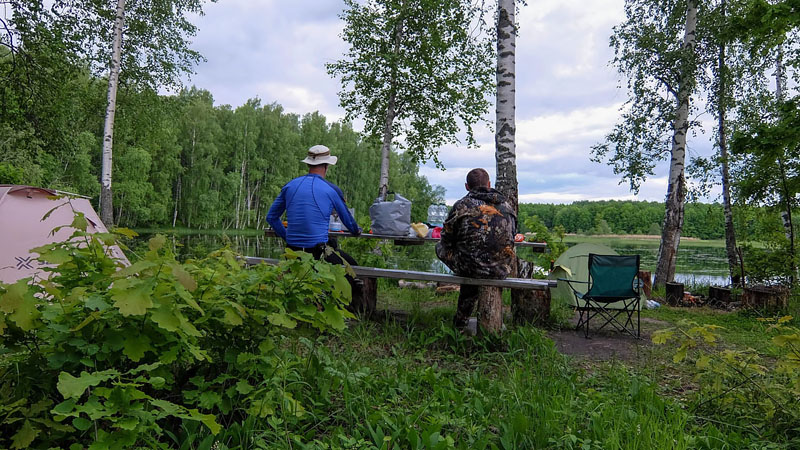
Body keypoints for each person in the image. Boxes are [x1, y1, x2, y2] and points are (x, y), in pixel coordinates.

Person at [266, 145, 362, 293]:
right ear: (326, 166)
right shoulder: (331, 190)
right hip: (318, 253)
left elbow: (271, 217)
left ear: (308, 164)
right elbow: (349, 223)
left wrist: (288, 236)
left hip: (292, 252)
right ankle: (351, 309)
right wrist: (357, 231)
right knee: (353, 267)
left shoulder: (290, 186)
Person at [435, 168, 516, 328]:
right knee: (475, 259)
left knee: (442, 249)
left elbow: (446, 238)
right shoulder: (507, 206)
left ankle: (461, 321)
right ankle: (474, 322)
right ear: (489, 184)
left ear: (467, 186)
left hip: (470, 267)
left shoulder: (462, 205)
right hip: (500, 269)